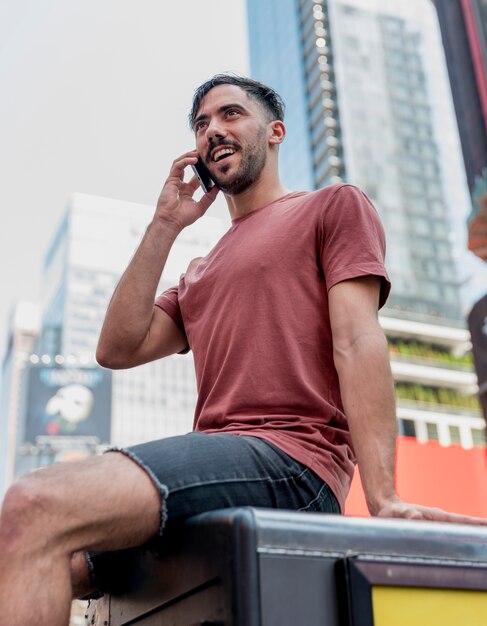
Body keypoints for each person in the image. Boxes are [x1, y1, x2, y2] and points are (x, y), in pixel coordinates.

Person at [0, 75, 485, 626]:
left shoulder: (331, 207)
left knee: (33, 503)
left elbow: (357, 341)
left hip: (291, 461)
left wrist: (384, 498)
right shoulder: (198, 273)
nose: (212, 131)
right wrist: (165, 224)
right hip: (215, 468)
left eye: (231, 114)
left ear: (275, 132)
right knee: (38, 550)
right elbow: (116, 347)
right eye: (201, 124)